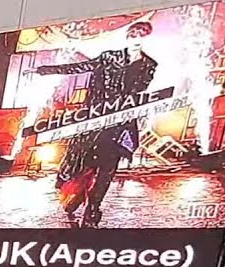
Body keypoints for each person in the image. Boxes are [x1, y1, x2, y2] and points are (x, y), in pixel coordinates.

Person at [31, 20, 158, 228]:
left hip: (120, 124)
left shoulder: (149, 65)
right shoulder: (109, 57)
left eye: (142, 36)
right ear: (128, 37)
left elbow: (139, 90)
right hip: (95, 121)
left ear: (147, 38)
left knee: (107, 169)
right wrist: (45, 70)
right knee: (85, 164)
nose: (137, 40)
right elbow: (80, 67)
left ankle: (93, 209)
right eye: (134, 35)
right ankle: (76, 197)